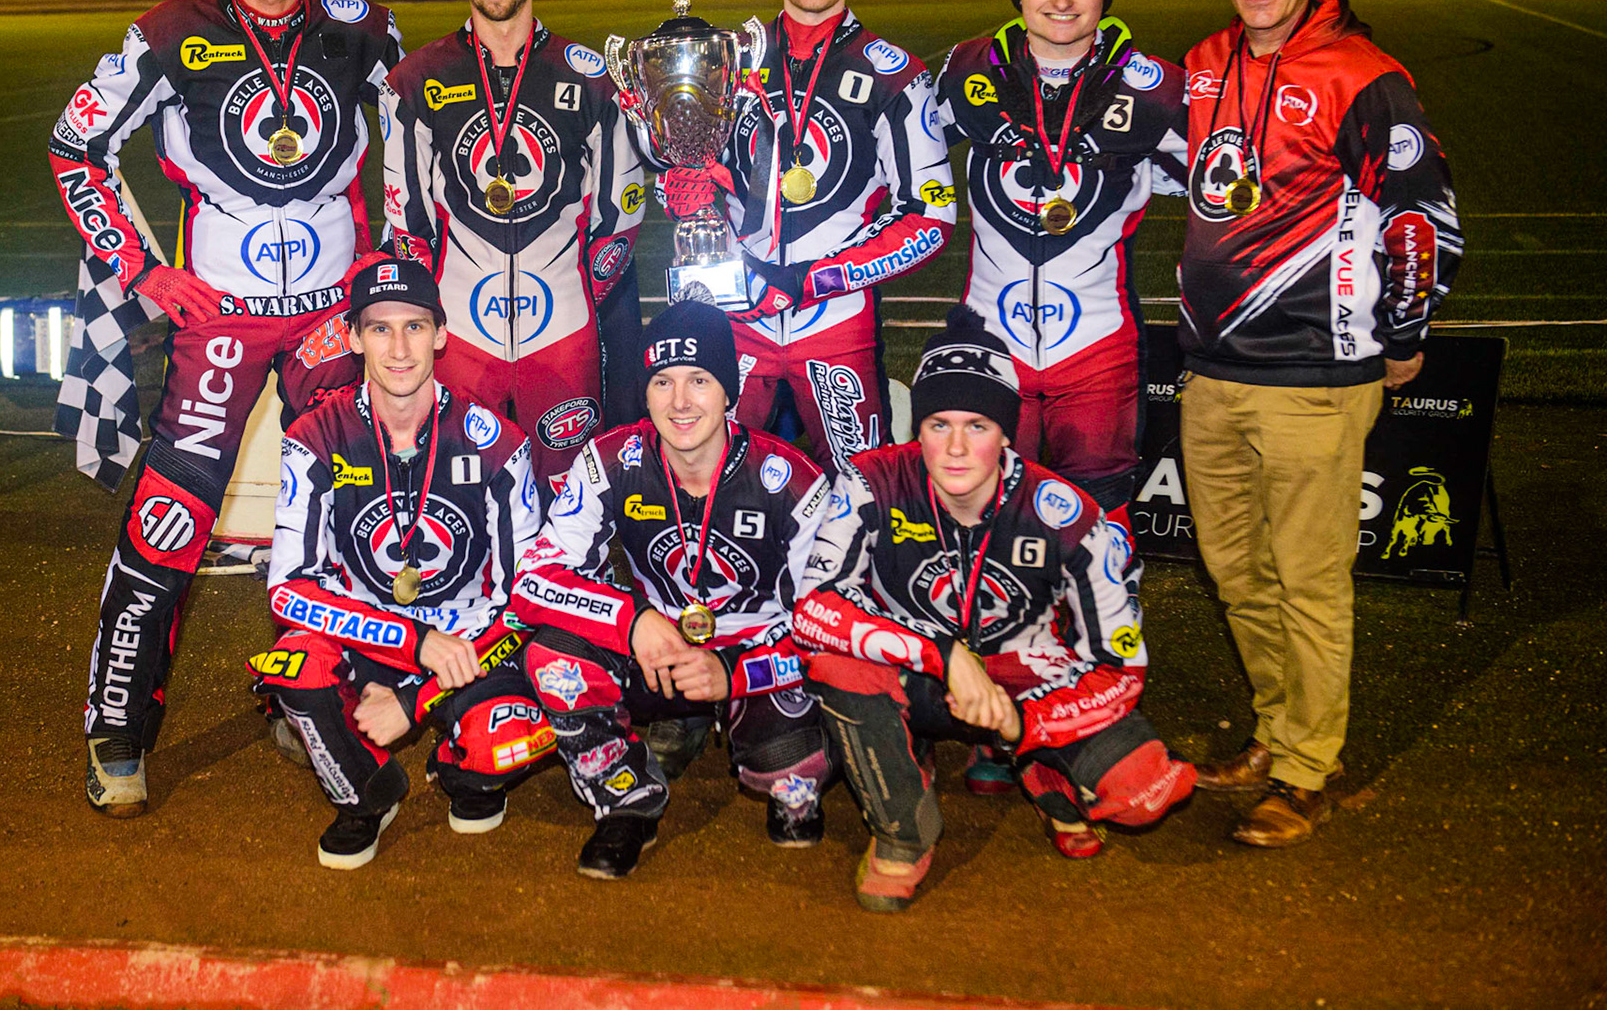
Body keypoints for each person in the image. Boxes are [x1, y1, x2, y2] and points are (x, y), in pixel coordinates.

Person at [58, 0, 403, 816]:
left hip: (334, 320)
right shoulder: (170, 33)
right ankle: (117, 732)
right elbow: (74, 142)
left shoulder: (362, 29)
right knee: (170, 524)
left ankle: (320, 703)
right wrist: (139, 268)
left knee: (355, 517)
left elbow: (420, 128)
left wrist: (397, 271)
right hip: (219, 322)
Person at [1179, 0, 1460, 847]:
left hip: (1314, 374)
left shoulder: (1363, 74)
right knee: (1235, 570)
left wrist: (1407, 333)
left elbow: (1424, 215)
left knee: (1308, 580)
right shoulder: (1205, 61)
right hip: (1213, 371)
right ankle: (1275, 729)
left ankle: (1310, 767)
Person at [792, 308, 1195, 911]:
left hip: (1026, 683)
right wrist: (943, 655)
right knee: (832, 663)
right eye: (938, 423)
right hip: (922, 674)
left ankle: (1038, 766)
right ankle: (904, 828)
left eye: (977, 425)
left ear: (1006, 431)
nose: (955, 447)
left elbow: (1120, 667)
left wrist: (1024, 725)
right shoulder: (870, 481)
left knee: (1143, 788)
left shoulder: (1071, 514)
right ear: (917, 428)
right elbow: (813, 609)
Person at [512, 301, 833, 880]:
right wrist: (631, 622)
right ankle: (626, 798)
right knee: (554, 654)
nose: (680, 402)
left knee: (794, 778)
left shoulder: (792, 480)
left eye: (699, 381)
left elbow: (826, 623)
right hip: (653, 649)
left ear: (730, 391)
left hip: (757, 656)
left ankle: (751, 737)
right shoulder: (609, 460)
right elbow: (534, 579)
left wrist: (733, 670)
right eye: (663, 382)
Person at [251, 257, 553, 868]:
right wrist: (413, 645)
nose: (399, 348)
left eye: (415, 326)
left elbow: (528, 600)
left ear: (441, 334)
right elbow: (287, 590)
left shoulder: (496, 440)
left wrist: (418, 693)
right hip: (368, 631)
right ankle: (368, 793)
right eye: (380, 328)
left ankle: (460, 766)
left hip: (471, 639)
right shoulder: (314, 437)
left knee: (507, 740)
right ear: (355, 337)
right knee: (290, 671)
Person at [657, 0, 955, 475]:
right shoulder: (725, 57)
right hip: (733, 319)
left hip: (838, 323)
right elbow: (680, 158)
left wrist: (810, 280)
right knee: (713, 482)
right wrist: (684, 190)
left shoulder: (896, 75)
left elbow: (931, 217)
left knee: (859, 493)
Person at [935, 0, 1187, 527]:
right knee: (983, 524)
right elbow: (881, 164)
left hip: (1099, 352)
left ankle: (1100, 632)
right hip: (991, 348)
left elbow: (1224, 200)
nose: (1064, 0)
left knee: (1100, 528)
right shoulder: (966, 71)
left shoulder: (1155, 90)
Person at [381, 0, 645, 493]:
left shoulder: (593, 78)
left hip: (563, 335)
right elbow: (407, 226)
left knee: (571, 500)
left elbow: (620, 221)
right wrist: (434, 321)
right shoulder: (415, 79)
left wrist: (575, 301)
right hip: (459, 335)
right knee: (459, 494)